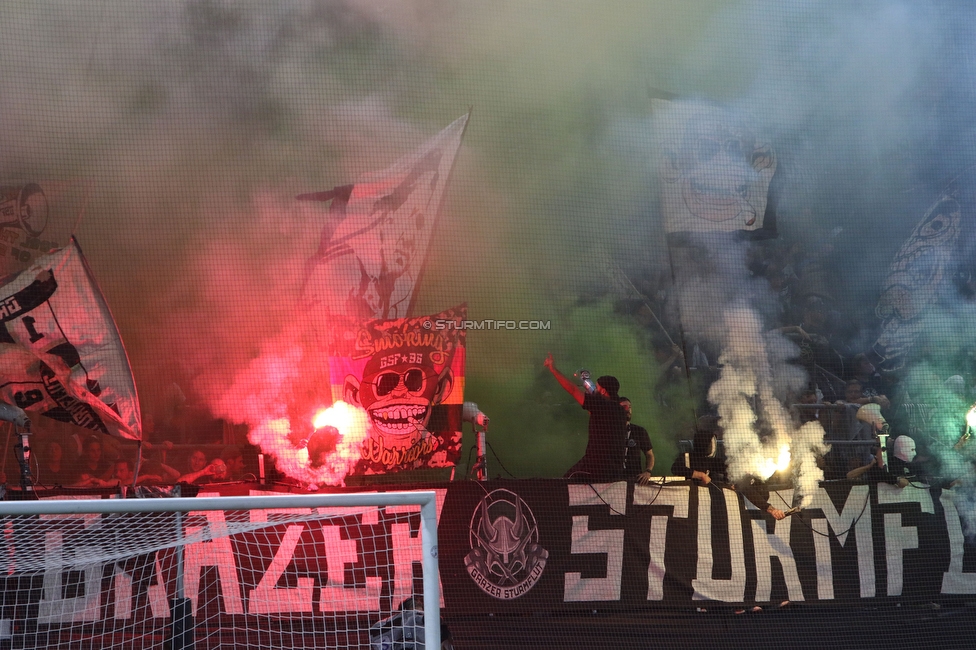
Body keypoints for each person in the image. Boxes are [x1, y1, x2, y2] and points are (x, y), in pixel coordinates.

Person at [544, 353, 628, 482]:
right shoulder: (620, 410)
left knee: (566, 482)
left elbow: (572, 390)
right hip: (615, 468)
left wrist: (553, 369)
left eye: (599, 388)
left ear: (604, 391)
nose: (596, 390)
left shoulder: (601, 405)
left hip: (596, 465)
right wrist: (586, 382)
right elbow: (595, 395)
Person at [619, 397, 654, 485]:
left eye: (630, 407)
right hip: (614, 479)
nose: (628, 410)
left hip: (635, 480)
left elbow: (649, 454)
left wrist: (648, 471)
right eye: (624, 407)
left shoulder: (639, 431)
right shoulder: (610, 431)